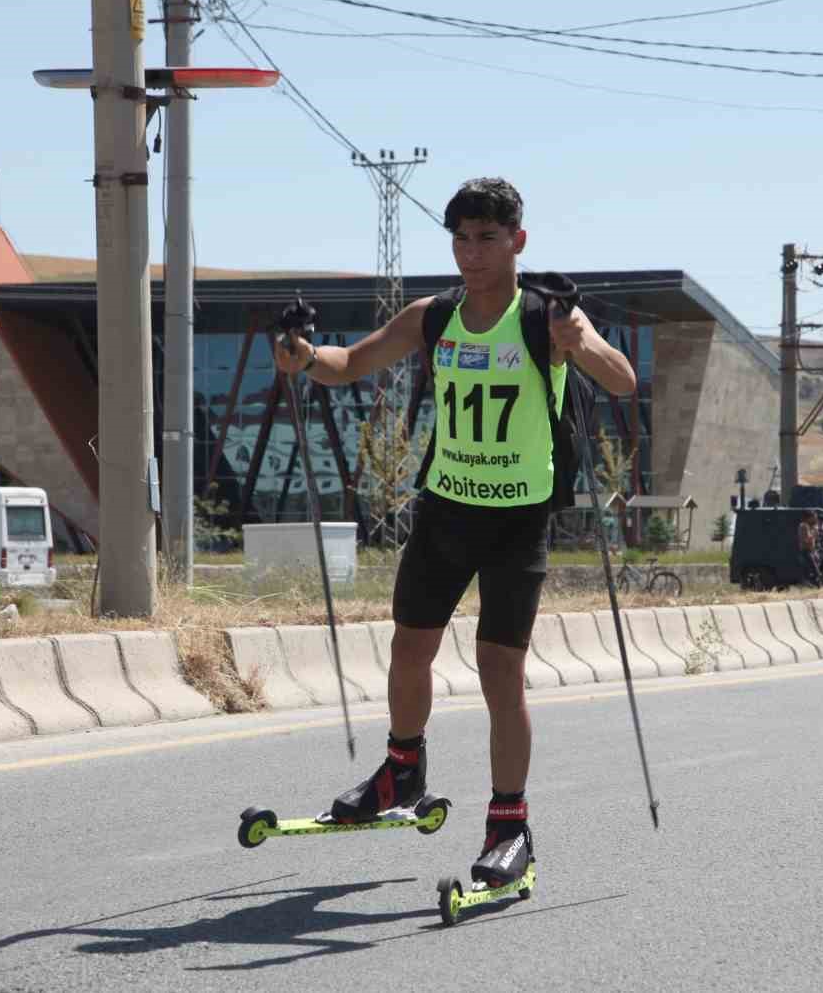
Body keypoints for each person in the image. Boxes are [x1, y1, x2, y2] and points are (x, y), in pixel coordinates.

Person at [272, 177, 637, 887]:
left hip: (517, 520)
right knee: (410, 650)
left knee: (500, 673)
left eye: (488, 239)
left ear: (517, 242)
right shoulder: (434, 316)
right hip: (445, 511)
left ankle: (510, 826)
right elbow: (349, 365)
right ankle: (401, 773)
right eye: (462, 239)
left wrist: (577, 344)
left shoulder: (546, 318)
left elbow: (621, 380)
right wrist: (305, 356)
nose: (472, 253)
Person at [796, 510, 823, 586]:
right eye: (814, 516)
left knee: (813, 570)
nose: (815, 518)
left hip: (810, 551)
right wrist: (814, 532)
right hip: (806, 551)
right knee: (816, 572)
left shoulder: (808, 526)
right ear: (809, 517)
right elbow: (806, 540)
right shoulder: (804, 526)